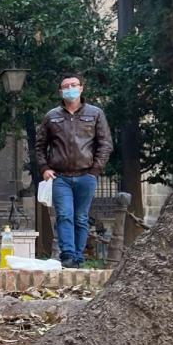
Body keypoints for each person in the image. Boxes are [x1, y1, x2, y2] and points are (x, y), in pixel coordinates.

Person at [35, 74, 113, 268]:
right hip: (60, 177)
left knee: (81, 217)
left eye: (74, 85)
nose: (70, 88)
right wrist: (44, 168)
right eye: (66, 86)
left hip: (86, 175)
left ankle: (78, 256)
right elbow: (39, 146)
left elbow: (105, 144)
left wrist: (95, 169)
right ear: (61, 92)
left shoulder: (95, 114)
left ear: (81, 88)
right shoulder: (51, 116)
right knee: (64, 215)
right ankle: (68, 255)